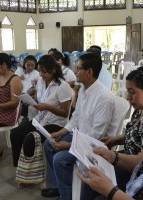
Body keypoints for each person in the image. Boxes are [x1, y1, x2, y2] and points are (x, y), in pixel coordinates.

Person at [41, 53, 119, 199]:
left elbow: (97, 134)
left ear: (89, 72)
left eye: (78, 68)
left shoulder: (104, 97)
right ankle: (57, 186)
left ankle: (67, 195)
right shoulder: (83, 90)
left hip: (94, 145)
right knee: (49, 143)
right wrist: (62, 131)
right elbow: (75, 117)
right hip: (79, 135)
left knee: (60, 159)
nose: (75, 72)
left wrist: (69, 145)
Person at [98, 66, 143, 192]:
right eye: (127, 91)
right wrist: (115, 139)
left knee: (95, 175)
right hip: (129, 158)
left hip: (139, 174)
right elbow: (137, 134)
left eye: (132, 92)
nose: (128, 97)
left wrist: (113, 156)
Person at [10, 55, 72, 167]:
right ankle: (19, 167)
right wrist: (30, 100)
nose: (41, 75)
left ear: (53, 70)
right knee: (15, 133)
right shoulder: (41, 82)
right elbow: (39, 99)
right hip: (40, 119)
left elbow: (65, 113)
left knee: (30, 140)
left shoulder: (63, 86)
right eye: (40, 71)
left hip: (55, 124)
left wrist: (47, 107)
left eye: (44, 72)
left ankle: (31, 173)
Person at [14, 55, 40, 122]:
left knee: (25, 102)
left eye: (32, 65)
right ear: (24, 64)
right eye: (28, 65)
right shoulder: (19, 71)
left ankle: (24, 118)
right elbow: (13, 79)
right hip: (18, 94)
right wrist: (19, 78)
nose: (30, 67)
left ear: (35, 66)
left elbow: (37, 88)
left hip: (29, 95)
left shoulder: (37, 74)